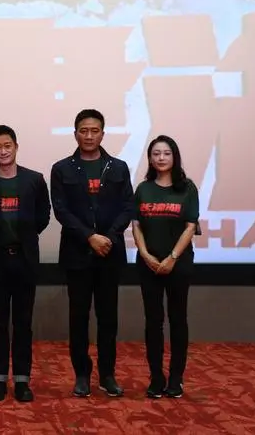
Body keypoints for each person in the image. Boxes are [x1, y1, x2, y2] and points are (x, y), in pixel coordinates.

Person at [50, 109, 134, 398]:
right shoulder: (61, 169)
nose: (89, 136)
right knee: (79, 317)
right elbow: (61, 210)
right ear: (75, 133)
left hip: (109, 253)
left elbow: (127, 207)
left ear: (102, 133)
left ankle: (107, 375)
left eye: (94, 130)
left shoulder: (119, 167)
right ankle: (82, 375)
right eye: (83, 130)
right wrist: (89, 237)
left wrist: (107, 239)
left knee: (108, 318)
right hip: (78, 254)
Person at [0, 125, 50, 402]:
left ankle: (22, 380)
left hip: (25, 260)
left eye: (7, 146)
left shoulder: (34, 180)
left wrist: (24, 237)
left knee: (24, 322)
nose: (3, 151)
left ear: (16, 146)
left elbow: (43, 216)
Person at [132, 135, 200, 399]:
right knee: (153, 322)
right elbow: (136, 225)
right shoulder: (143, 189)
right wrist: (146, 255)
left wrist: (172, 257)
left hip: (178, 264)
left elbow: (190, 226)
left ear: (175, 157)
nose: (161, 158)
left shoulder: (187, 188)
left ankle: (176, 378)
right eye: (156, 153)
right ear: (150, 158)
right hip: (148, 264)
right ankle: (156, 378)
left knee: (177, 320)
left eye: (166, 153)